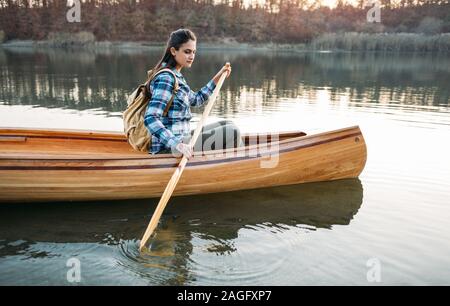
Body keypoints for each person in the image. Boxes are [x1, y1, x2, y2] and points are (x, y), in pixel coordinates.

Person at [144, 28, 243, 159]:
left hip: (184, 139)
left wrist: (218, 77)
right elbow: (150, 118)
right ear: (173, 51)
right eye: (187, 52)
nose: (192, 56)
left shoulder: (176, 77)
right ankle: (239, 165)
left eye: (194, 52)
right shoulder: (166, 78)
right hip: (170, 148)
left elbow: (197, 99)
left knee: (229, 125)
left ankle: (235, 164)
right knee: (232, 132)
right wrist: (177, 145)